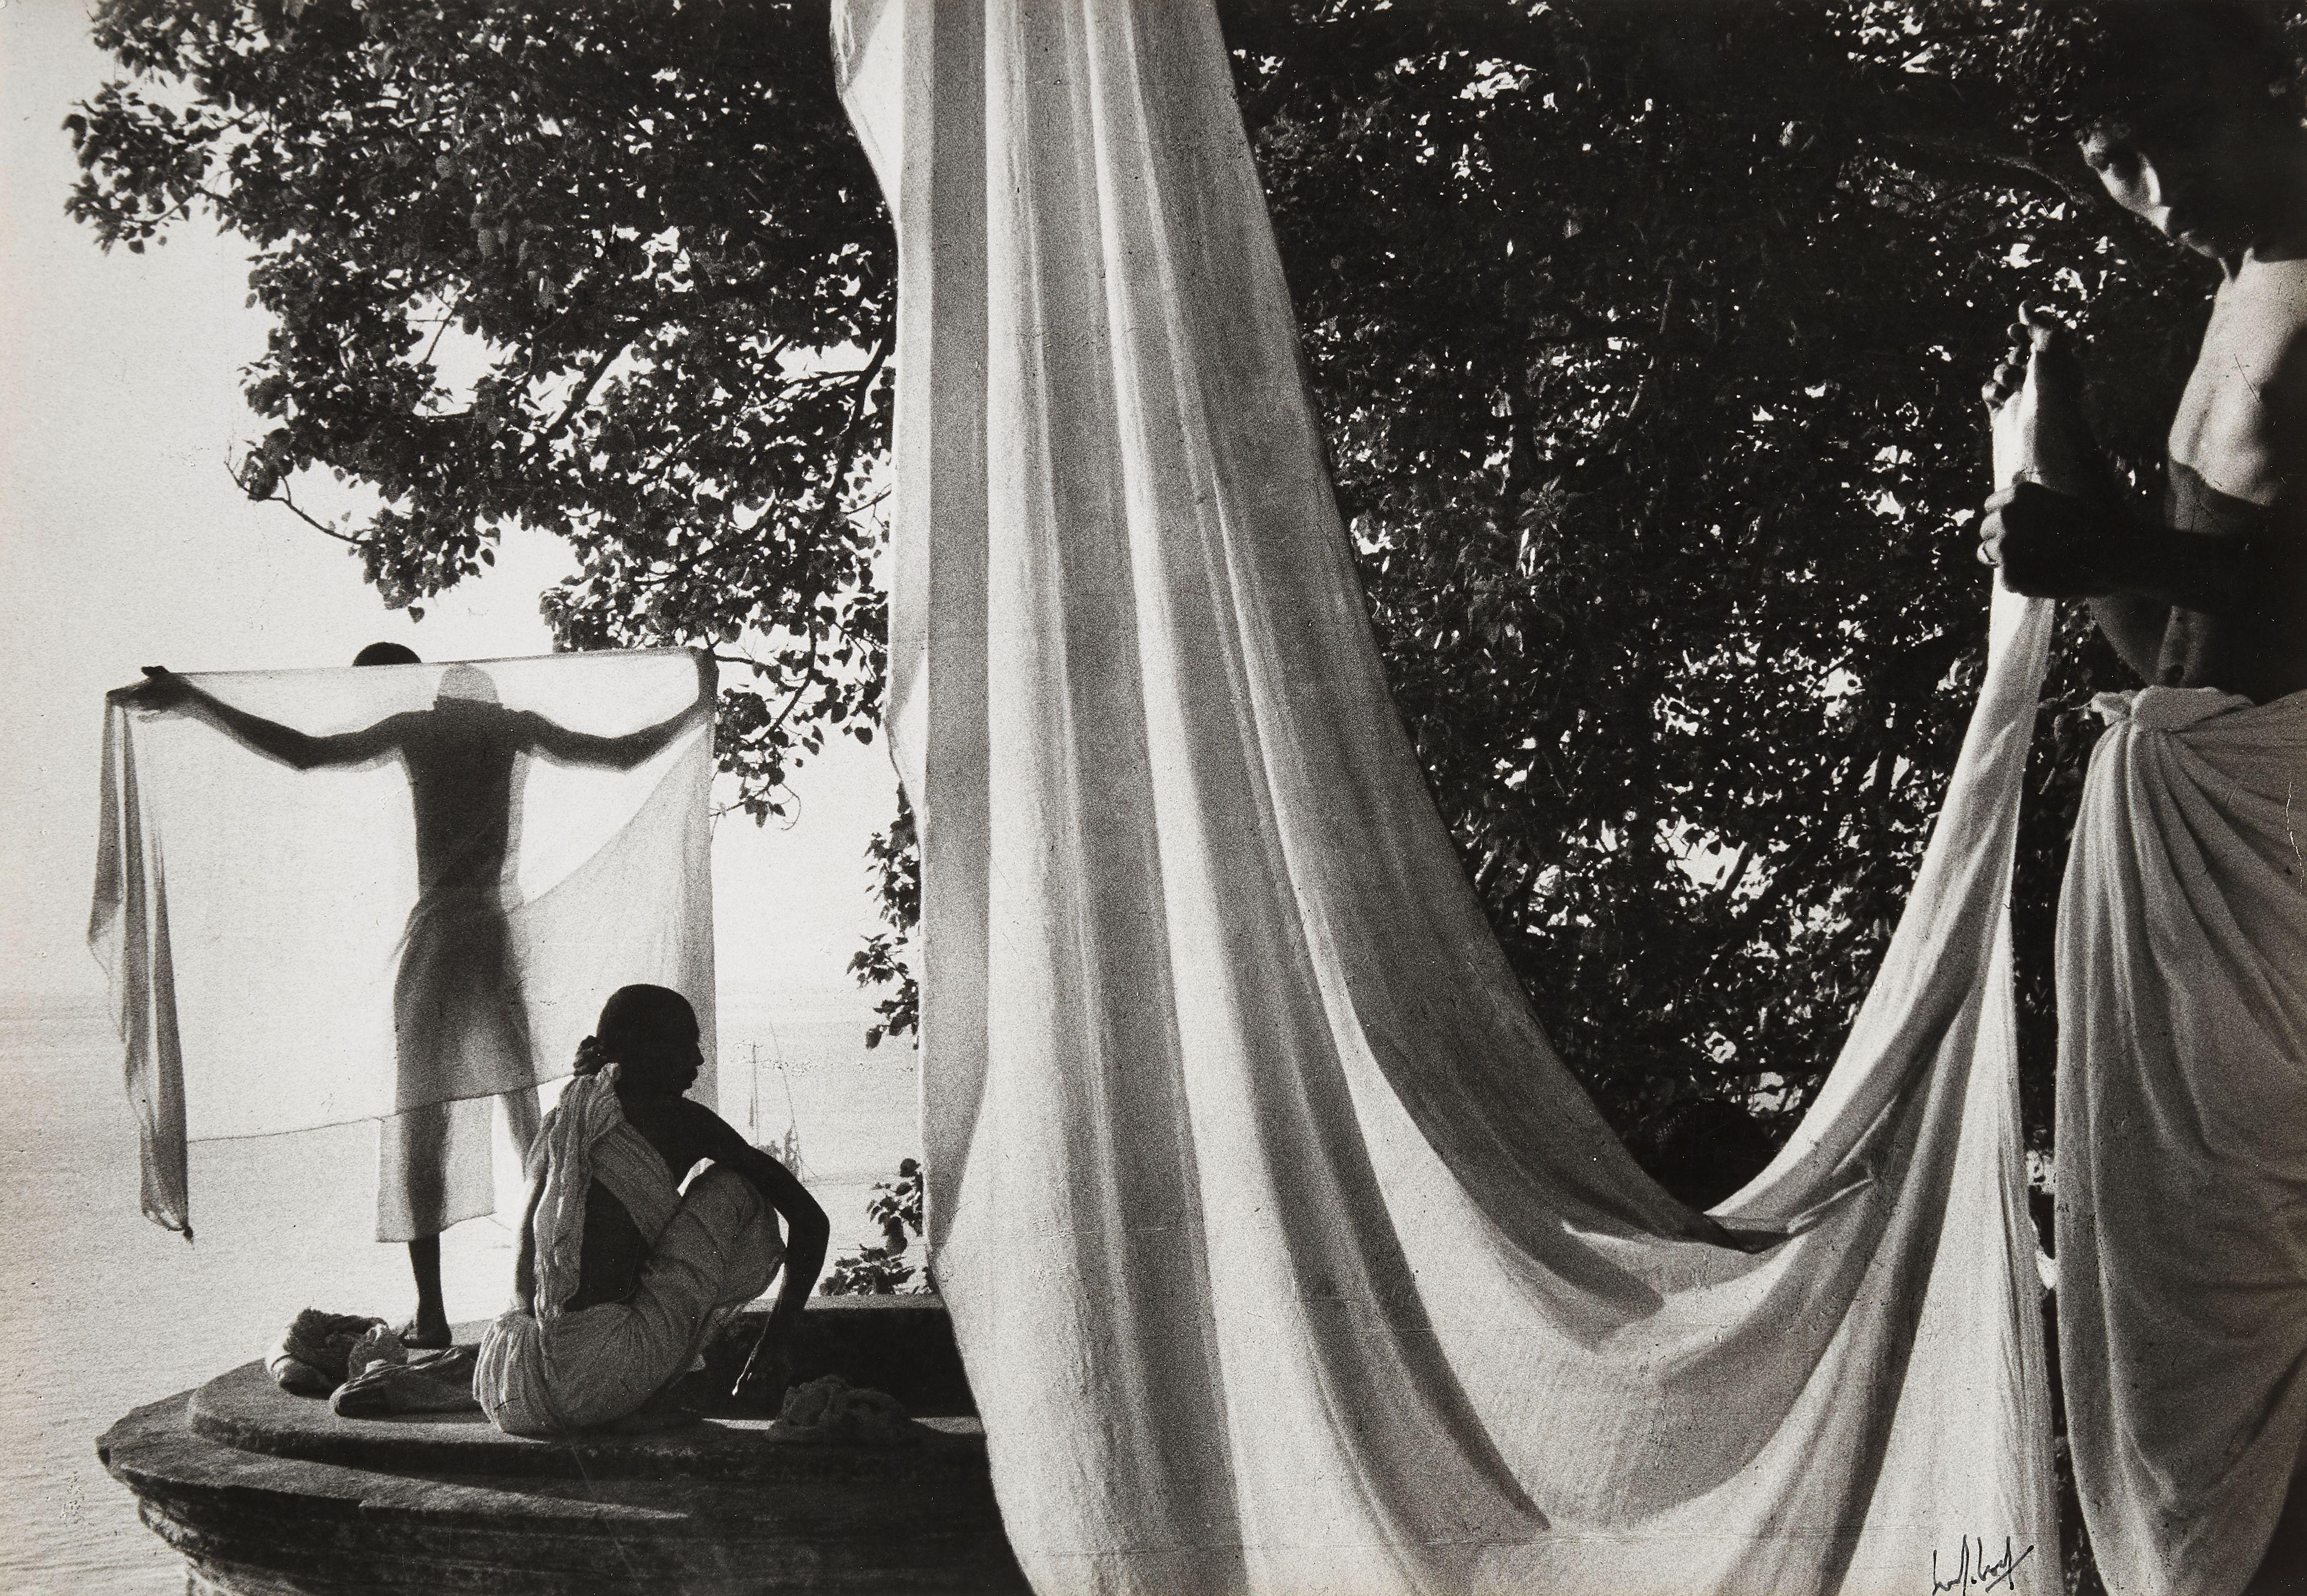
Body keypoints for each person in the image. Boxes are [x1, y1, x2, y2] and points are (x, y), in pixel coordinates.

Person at [1976, 7, 2307, 1592]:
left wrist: (2111, 543)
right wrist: (2064, 449)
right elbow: (2166, 634)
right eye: (2112, 161)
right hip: (2181, 810)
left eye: (2169, 131)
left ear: (2259, 88)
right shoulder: (2232, 298)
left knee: (2257, 1254)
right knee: (2165, 1265)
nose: (2151, 183)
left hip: (2283, 824)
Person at [138, 648, 716, 1346]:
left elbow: (302, 752)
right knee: (529, 1119)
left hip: (441, 938)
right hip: (494, 937)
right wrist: (696, 705)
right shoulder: (509, 727)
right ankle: (548, 1292)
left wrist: (198, 700)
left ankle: (438, 1312)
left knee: (425, 1124)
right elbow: (622, 755)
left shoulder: (421, 727)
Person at [476, 985, 830, 1434]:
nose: (699, 1061)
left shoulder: (564, 1116)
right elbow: (811, 1221)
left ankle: (636, 1386)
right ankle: (645, 1390)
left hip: (511, 1383)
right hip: (590, 1384)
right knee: (738, 1186)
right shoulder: (678, 1119)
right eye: (686, 1043)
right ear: (644, 1049)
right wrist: (774, 1343)